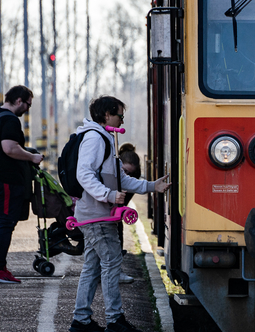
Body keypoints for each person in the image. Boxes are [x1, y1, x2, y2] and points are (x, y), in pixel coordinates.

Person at [69, 95, 171, 332]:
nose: (121, 118)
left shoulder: (104, 137)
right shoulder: (95, 138)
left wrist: (150, 186)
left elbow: (120, 178)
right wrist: (108, 195)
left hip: (96, 214)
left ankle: (81, 321)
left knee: (93, 268)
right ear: (107, 115)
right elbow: (84, 174)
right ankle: (114, 320)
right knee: (112, 262)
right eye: (119, 115)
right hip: (97, 216)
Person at [0, 85, 44, 284]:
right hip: (5, 179)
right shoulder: (10, 120)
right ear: (18, 101)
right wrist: (31, 157)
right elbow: (9, 148)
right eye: (27, 105)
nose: (27, 109)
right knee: (5, 223)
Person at [116, 143, 142, 284]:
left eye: (130, 173)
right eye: (124, 171)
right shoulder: (109, 170)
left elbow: (123, 203)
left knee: (118, 233)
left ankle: (115, 270)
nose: (127, 176)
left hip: (116, 211)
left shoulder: (134, 177)